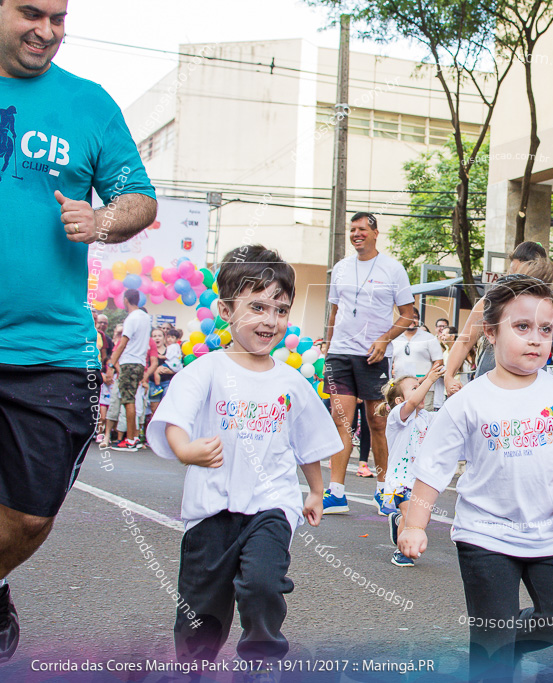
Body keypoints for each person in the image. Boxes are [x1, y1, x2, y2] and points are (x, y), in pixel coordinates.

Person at [0, 0, 158, 662]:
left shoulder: (89, 105)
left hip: (49, 351)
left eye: (59, 18)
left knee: (32, 515)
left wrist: (102, 220)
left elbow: (139, 197)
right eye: (30, 12)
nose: (46, 30)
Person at [397, 275, 553, 681]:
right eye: (522, 327)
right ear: (491, 333)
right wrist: (415, 524)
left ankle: (498, 647)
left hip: (552, 533)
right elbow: (432, 469)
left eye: (545, 330)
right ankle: (493, 652)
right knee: (492, 640)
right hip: (485, 534)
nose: (536, 339)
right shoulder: (468, 402)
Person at [148, 245, 340, 674]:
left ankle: (260, 662)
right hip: (212, 507)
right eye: (256, 306)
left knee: (262, 584)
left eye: (281, 309)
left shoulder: (290, 380)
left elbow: (306, 441)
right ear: (225, 309)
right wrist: (185, 450)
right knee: (201, 611)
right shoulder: (207, 370)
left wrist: (314, 490)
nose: (270, 320)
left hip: (271, 504)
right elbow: (176, 417)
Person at [322, 212, 416, 516]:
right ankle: (335, 492)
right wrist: (328, 345)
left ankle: (384, 490)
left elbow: (408, 314)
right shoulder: (341, 268)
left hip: (374, 355)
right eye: (352, 229)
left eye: (362, 229)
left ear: (376, 233)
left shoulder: (393, 269)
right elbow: (335, 312)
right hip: (340, 354)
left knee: (377, 422)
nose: (356, 234)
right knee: (342, 422)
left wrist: (384, 340)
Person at [443, 245, 553, 396]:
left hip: (533, 387)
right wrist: (449, 376)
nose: (510, 275)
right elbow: (464, 341)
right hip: (491, 385)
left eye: (515, 270)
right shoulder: (496, 300)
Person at [380, 365, 445, 567]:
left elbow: (447, 418)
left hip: (420, 480)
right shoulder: (398, 417)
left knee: (421, 520)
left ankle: (397, 522)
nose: (420, 391)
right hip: (400, 480)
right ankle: (402, 552)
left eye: (420, 386)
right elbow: (414, 401)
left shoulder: (425, 418)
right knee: (411, 518)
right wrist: (430, 379)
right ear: (399, 400)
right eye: (414, 387)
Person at [107, 290, 152, 451]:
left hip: (129, 361)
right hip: (140, 362)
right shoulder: (145, 317)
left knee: (128, 400)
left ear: (126, 300)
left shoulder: (132, 318)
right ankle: (133, 438)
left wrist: (112, 364)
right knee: (131, 398)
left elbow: (123, 342)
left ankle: (131, 439)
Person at [389, 308, 444, 410]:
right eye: (408, 317)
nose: (411, 320)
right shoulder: (395, 338)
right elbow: (389, 362)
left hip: (424, 387)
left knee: (423, 418)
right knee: (401, 417)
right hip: (400, 389)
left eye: (414, 317)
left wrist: (425, 379)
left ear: (419, 320)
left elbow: (439, 362)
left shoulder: (429, 338)